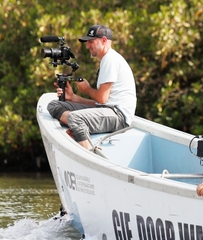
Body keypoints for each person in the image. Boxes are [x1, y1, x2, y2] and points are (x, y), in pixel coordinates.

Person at [46, 24, 136, 152]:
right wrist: (74, 98)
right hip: (107, 111)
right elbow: (101, 104)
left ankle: (90, 155)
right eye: (87, 42)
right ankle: (81, 126)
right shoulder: (106, 60)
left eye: (91, 42)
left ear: (104, 40)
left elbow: (102, 99)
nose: (88, 46)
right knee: (55, 105)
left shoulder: (110, 59)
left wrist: (87, 89)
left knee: (75, 118)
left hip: (119, 117)